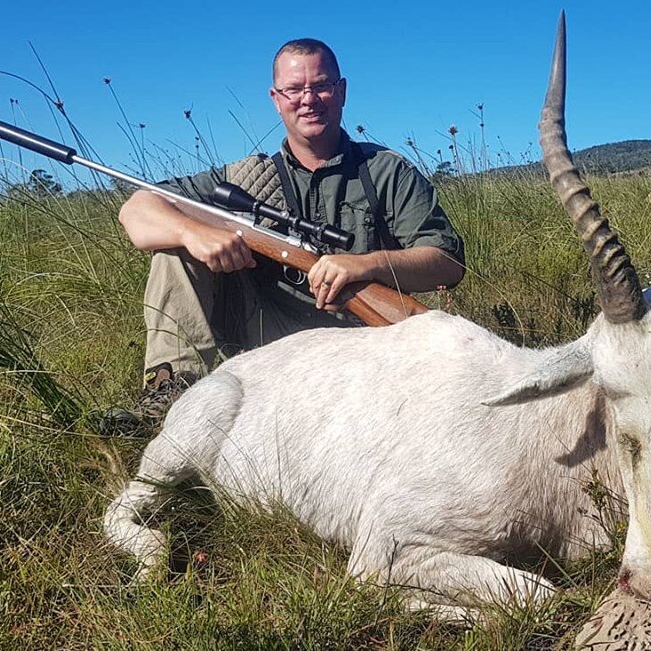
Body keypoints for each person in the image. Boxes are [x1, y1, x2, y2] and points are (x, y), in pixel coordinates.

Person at [106, 38, 465, 432]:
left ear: (341, 91)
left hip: (364, 346)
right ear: (276, 99)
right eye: (294, 90)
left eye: (321, 85)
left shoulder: (387, 171)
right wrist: (194, 233)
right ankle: (170, 398)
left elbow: (446, 262)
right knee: (174, 249)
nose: (308, 99)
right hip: (265, 337)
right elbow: (136, 210)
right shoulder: (244, 179)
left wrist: (367, 265)